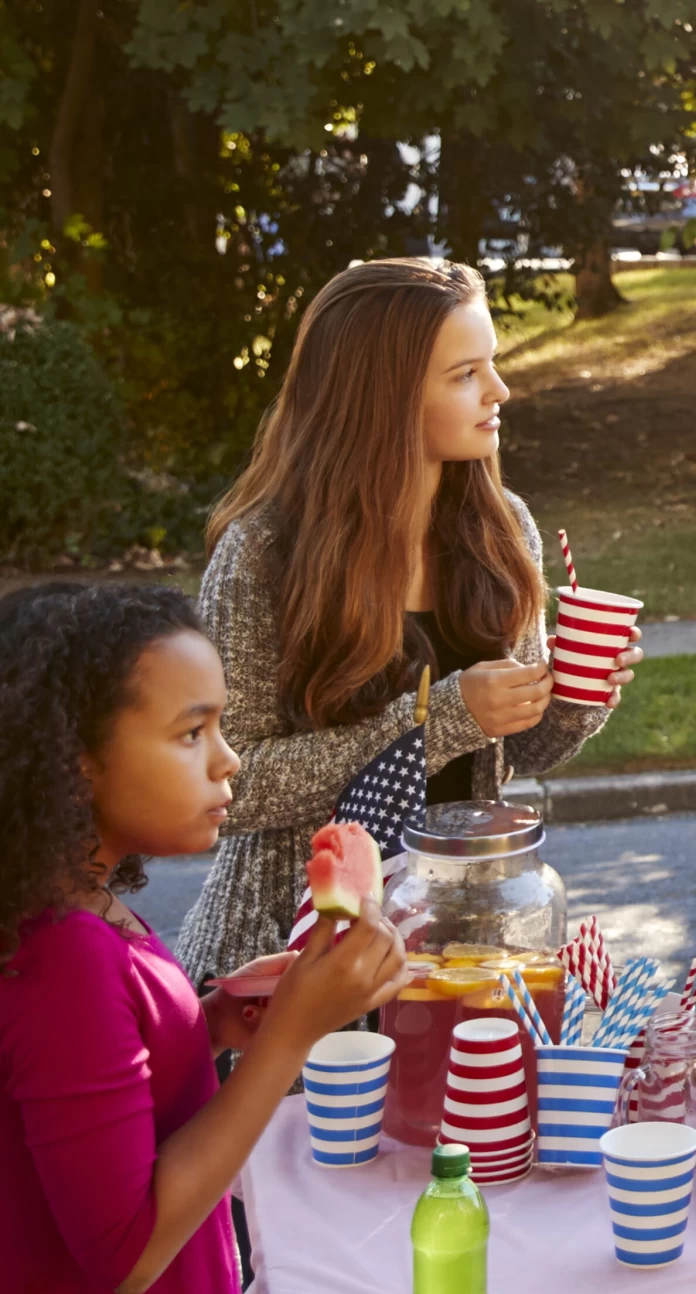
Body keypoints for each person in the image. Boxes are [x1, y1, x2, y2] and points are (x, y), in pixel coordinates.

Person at [0, 584, 407, 1294]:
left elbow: (114, 1081)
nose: (228, 762)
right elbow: (130, 1246)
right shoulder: (61, 957)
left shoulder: (81, 910)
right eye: (193, 733)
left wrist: (218, 1023)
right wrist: (287, 1041)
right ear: (74, 766)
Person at [176, 258, 642, 985]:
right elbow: (235, 787)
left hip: (457, 950)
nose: (500, 391)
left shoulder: (502, 528)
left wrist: (579, 695)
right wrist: (442, 717)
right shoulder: (262, 554)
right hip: (292, 959)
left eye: (492, 364)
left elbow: (518, 751)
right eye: (465, 374)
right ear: (382, 399)